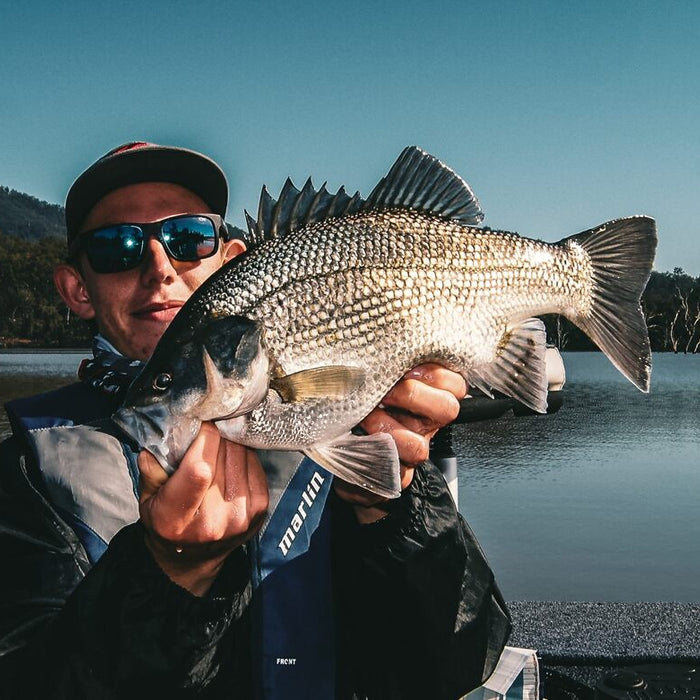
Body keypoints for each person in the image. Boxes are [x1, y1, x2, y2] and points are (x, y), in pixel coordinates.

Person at [0, 142, 511, 699]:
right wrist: (168, 578)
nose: (159, 269)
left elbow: (451, 666)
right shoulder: (29, 468)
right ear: (77, 289)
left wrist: (391, 508)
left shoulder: (344, 425)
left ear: (230, 259)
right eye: (115, 247)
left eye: (188, 237)